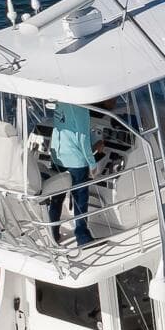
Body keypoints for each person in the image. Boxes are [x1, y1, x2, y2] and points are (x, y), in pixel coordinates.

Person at [47, 101, 98, 247]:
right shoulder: (81, 108)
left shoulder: (59, 102)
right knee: (80, 200)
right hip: (76, 161)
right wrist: (92, 163)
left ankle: (54, 233)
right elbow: (83, 139)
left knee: (57, 197)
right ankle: (82, 237)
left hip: (58, 157)